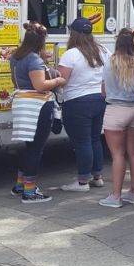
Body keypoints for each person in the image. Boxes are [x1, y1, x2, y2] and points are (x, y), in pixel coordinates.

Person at [9, 23, 66, 203]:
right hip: (37, 105)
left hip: (22, 103)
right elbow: (40, 85)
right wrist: (58, 79)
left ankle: (20, 185)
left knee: (29, 146)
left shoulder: (16, 56)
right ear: (41, 41)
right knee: (36, 148)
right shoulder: (34, 59)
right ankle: (30, 191)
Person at [58, 17, 109, 192]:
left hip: (77, 102)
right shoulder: (103, 51)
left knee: (82, 142)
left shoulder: (70, 54)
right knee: (95, 138)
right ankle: (97, 176)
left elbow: (62, 80)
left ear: (74, 34)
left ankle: (82, 182)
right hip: (99, 100)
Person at [99, 28, 134, 207]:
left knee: (117, 154)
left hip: (116, 110)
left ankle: (115, 196)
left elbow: (103, 90)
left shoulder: (111, 61)